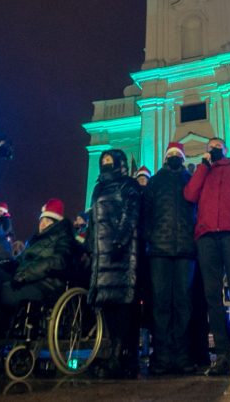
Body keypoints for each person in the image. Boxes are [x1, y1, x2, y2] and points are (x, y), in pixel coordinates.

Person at [184, 137, 230, 376]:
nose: (213, 148)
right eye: (210, 147)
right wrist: (203, 166)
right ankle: (223, 356)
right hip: (207, 237)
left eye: (217, 145)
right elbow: (189, 195)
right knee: (212, 298)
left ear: (226, 149)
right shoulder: (203, 172)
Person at [0, 199, 74, 350]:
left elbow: (57, 261)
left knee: (1, 292)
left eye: (48, 220)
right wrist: (9, 264)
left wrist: (26, 274)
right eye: (41, 220)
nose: (42, 224)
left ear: (56, 222)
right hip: (22, 277)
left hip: (44, 282)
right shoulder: (34, 240)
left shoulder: (64, 238)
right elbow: (21, 260)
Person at [143, 141, 196, 375]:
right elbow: (145, 214)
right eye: (171, 153)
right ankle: (162, 356)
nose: (174, 156)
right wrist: (150, 236)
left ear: (182, 158)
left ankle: (182, 355)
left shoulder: (191, 181)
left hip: (186, 249)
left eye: (177, 153)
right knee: (161, 304)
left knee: (183, 303)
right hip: (159, 251)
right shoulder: (155, 181)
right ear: (166, 158)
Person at [88, 149, 141, 379]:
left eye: (111, 161)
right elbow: (92, 220)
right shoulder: (98, 188)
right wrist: (89, 245)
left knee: (123, 306)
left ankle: (122, 355)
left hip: (121, 252)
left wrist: (120, 240)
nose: (107, 164)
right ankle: (113, 354)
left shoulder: (129, 185)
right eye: (104, 161)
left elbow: (131, 214)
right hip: (101, 254)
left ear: (119, 163)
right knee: (107, 305)